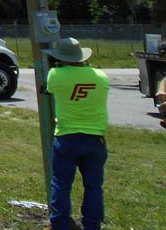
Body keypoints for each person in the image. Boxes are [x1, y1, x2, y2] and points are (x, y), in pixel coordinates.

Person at [45, 37, 110, 230]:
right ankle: (92, 223)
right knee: (93, 185)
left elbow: (49, 89)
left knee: (61, 183)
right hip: (95, 137)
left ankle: (60, 222)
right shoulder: (101, 76)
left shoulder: (55, 74)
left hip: (67, 135)